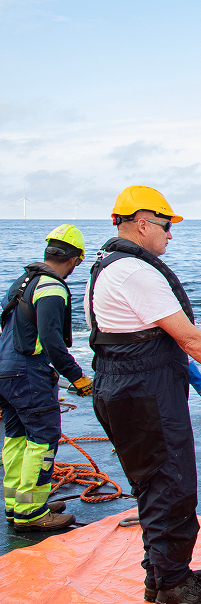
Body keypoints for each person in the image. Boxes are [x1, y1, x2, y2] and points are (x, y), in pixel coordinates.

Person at [84, 185, 201, 604]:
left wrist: (197, 382)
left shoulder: (106, 268)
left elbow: (142, 340)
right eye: (165, 226)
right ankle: (174, 588)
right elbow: (189, 338)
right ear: (142, 223)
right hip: (145, 397)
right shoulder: (136, 273)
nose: (169, 235)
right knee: (173, 486)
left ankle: (160, 573)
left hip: (123, 390)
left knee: (152, 483)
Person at [0, 225, 95, 531]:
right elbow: (52, 341)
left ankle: (18, 506)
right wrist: (77, 377)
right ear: (76, 260)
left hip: (4, 370)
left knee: (16, 439)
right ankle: (33, 514)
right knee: (42, 440)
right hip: (29, 374)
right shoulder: (51, 288)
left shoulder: (22, 282)